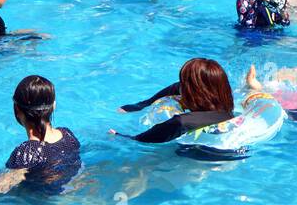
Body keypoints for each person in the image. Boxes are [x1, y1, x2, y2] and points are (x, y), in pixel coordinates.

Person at [111, 58, 269, 160]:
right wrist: (142, 104)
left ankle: (253, 87)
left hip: (219, 152)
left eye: (185, 83)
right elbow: (176, 87)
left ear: (197, 91)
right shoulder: (219, 94)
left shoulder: (192, 120)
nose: (181, 86)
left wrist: (125, 138)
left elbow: (174, 125)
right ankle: (252, 86)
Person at [0, 76, 80, 194]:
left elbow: (0, 187)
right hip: (72, 189)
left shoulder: (27, 152)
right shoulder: (68, 135)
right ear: (53, 106)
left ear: (17, 110)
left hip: (43, 204)